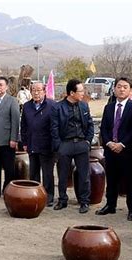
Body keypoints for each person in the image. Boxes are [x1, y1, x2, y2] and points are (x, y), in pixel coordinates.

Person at [96, 78, 132, 221]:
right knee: (112, 178)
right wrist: (109, 142)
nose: (122, 89)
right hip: (110, 150)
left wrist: (122, 144)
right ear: (114, 89)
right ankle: (110, 205)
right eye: (119, 87)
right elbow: (104, 128)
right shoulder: (108, 107)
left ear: (130, 90)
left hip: (127, 150)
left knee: (131, 180)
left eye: (125, 87)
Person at [51, 79, 94, 214]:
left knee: (84, 175)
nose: (83, 93)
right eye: (80, 91)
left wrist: (87, 141)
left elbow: (90, 124)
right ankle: (62, 199)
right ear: (71, 92)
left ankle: (84, 201)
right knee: (63, 175)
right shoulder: (58, 107)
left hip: (81, 144)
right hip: (65, 144)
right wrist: (59, 146)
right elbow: (54, 128)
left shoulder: (84, 106)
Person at [21, 82, 56, 207]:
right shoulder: (26, 106)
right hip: (32, 144)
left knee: (47, 173)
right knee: (33, 173)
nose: (36, 93)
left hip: (47, 145)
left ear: (44, 91)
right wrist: (24, 142)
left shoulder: (52, 105)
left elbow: (55, 127)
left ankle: (49, 196)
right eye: (34, 90)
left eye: (39, 90)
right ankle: (35, 195)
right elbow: (23, 126)